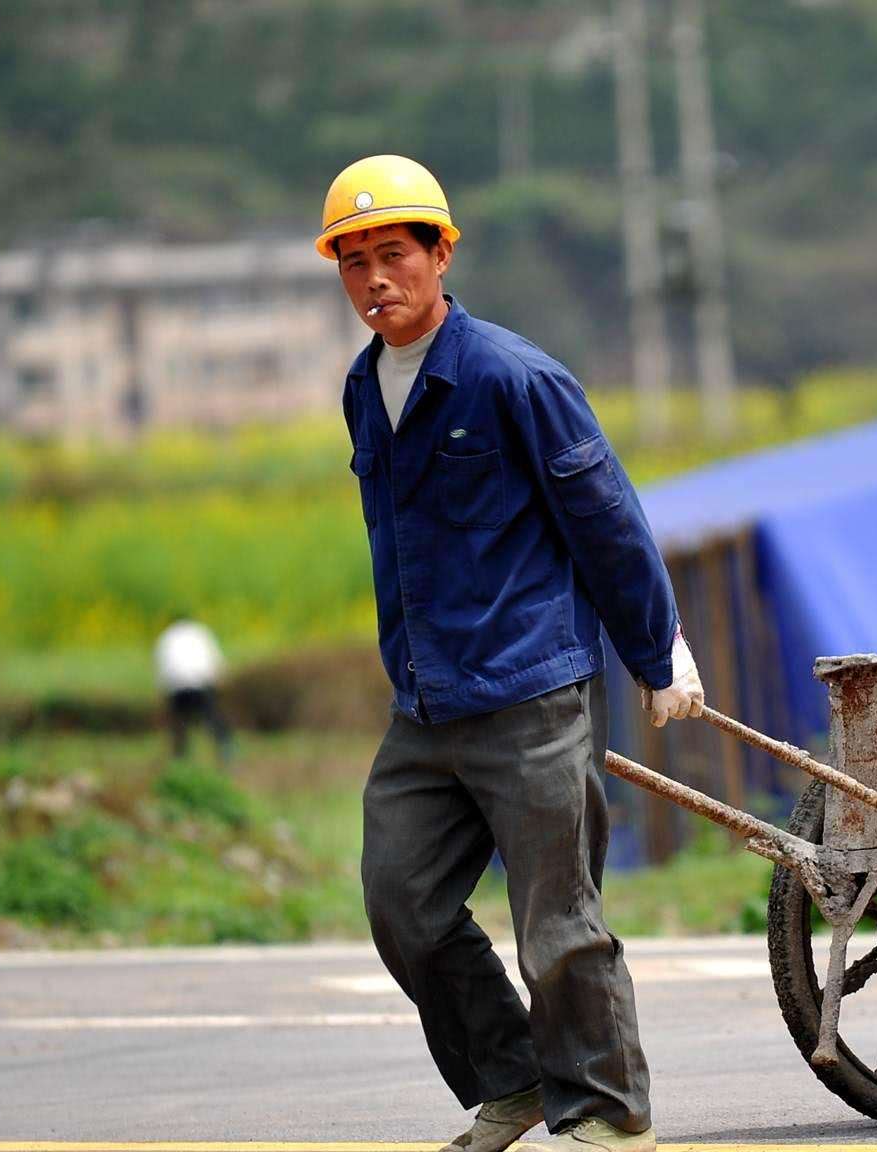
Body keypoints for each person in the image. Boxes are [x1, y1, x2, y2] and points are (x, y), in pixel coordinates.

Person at [318, 154, 704, 1152]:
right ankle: (514, 1078)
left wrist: (658, 653)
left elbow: (605, 521)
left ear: (442, 253)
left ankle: (607, 1114)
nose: (373, 280)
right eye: (353, 262)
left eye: (393, 254)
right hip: (426, 704)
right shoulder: (366, 389)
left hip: (529, 692)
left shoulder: (512, 378)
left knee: (557, 925)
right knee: (401, 904)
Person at [154, 614, 234, 764]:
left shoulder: (166, 636)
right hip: (201, 682)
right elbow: (213, 658)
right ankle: (225, 752)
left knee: (180, 725)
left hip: (176, 685)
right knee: (212, 718)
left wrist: (162, 691)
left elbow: (162, 667)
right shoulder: (200, 632)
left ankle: (180, 759)